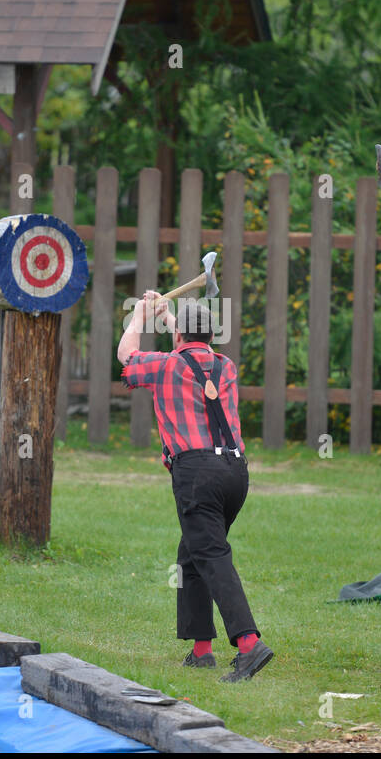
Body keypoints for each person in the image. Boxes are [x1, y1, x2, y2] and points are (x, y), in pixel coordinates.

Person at [117, 291, 272, 683]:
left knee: (212, 555)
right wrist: (170, 317)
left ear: (180, 334)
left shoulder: (166, 366)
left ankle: (249, 645)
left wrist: (138, 318)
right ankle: (201, 649)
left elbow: (126, 358)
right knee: (193, 555)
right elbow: (192, 348)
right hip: (235, 473)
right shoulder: (226, 366)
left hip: (197, 473)